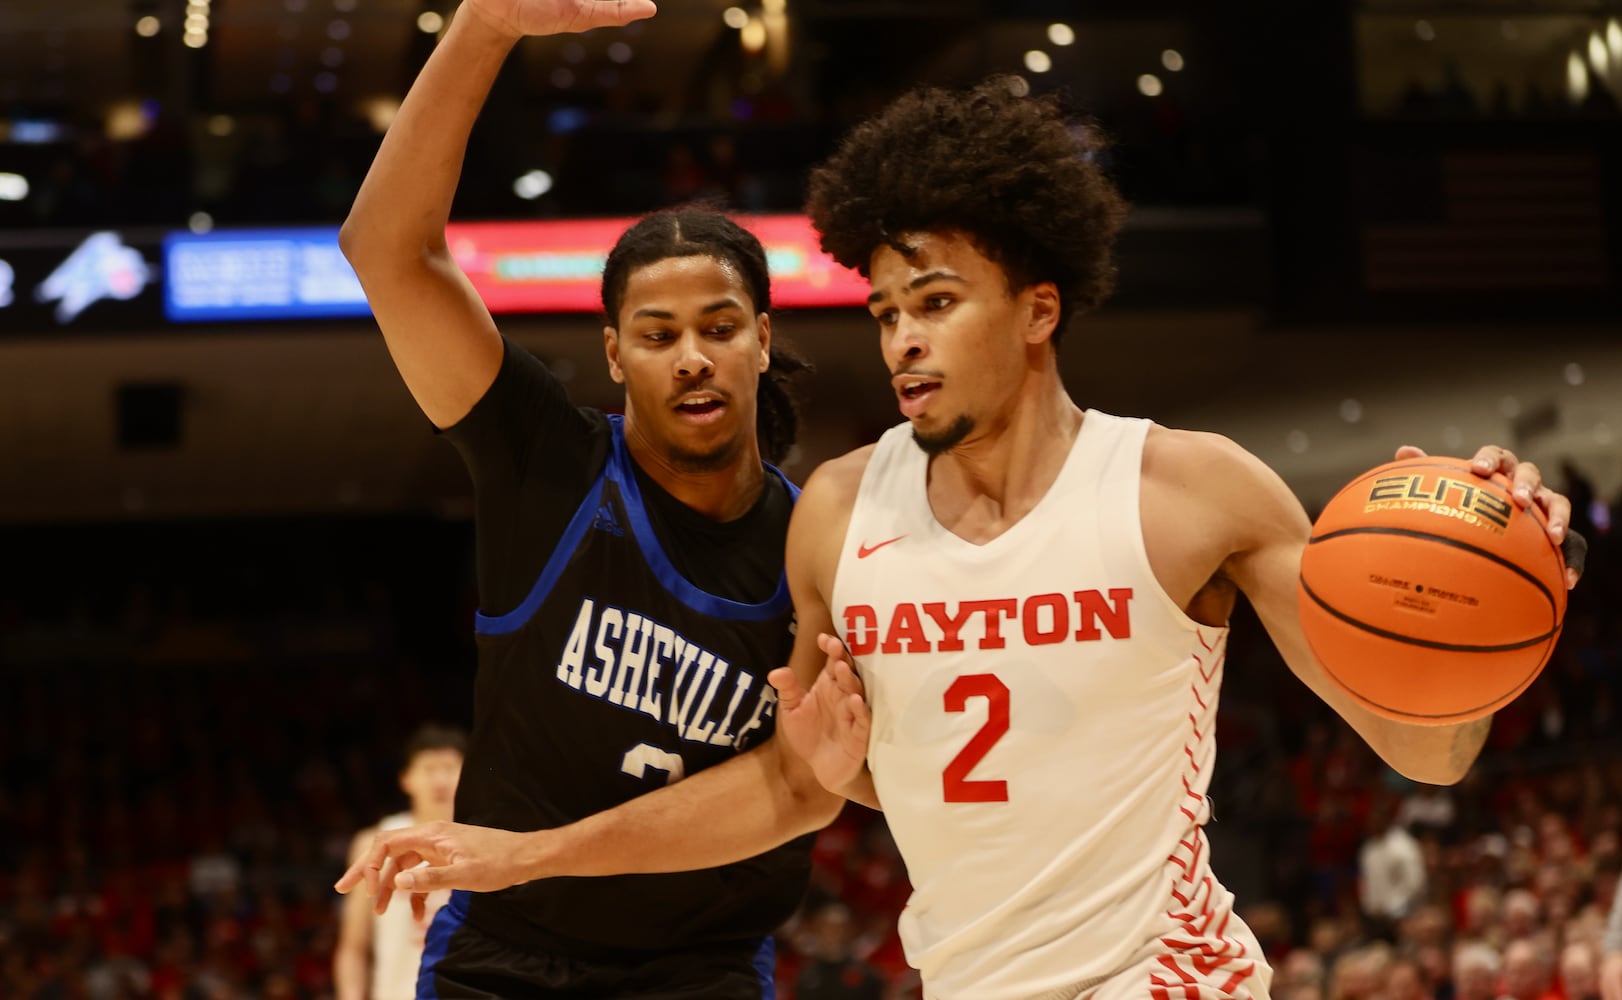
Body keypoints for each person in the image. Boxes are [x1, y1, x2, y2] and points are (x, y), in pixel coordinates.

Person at [342, 72, 1586, 999]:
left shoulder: (1186, 490)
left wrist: (1502, 593)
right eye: (885, 311)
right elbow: (817, 780)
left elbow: (1424, 749)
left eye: (935, 304)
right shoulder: (837, 513)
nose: (902, 341)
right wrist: (829, 770)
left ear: (1038, 308)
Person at [332, 0, 839, 994]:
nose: (691, 358)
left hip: (700, 964)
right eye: (656, 333)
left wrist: (539, 848)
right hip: (504, 956)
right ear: (614, 354)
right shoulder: (547, 464)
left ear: (763, 339)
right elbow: (387, 249)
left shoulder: (817, 538)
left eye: (720, 326)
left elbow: (796, 787)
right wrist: (483, 27)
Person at [334, 724, 466, 1000]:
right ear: (406, 778)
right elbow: (354, 946)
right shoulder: (375, 842)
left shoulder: (485, 842)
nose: (440, 780)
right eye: (429, 769)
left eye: (450, 768)